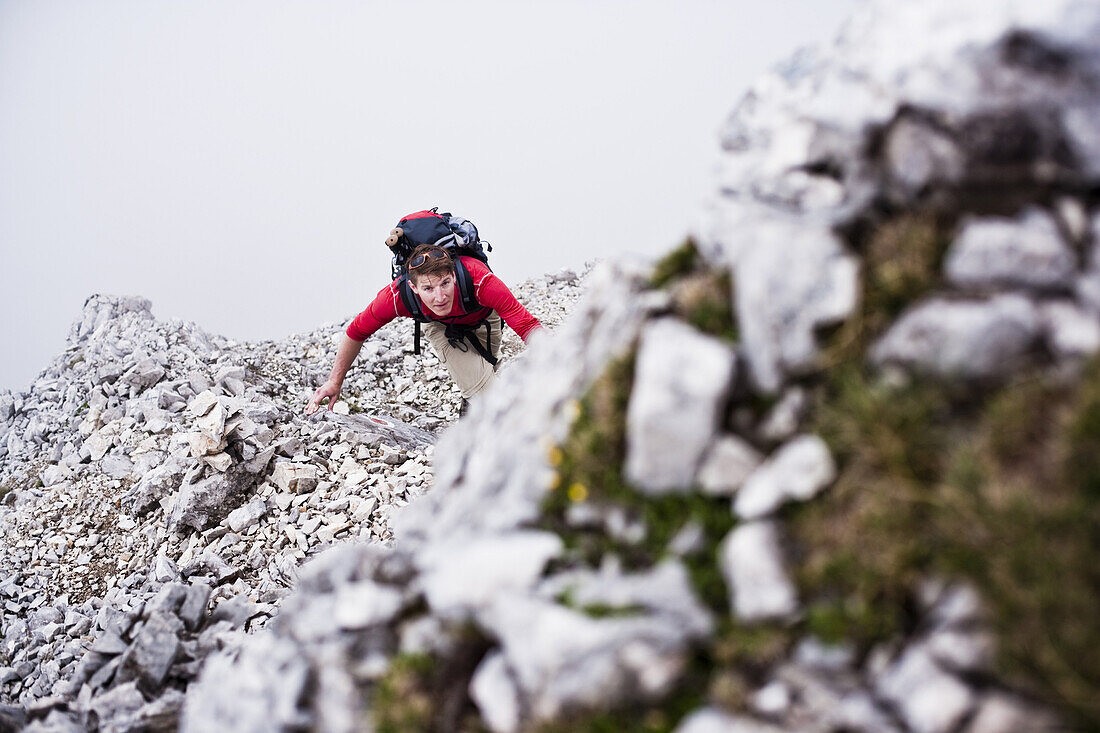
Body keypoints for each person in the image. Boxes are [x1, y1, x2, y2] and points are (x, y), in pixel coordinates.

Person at [305, 243, 542, 415]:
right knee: (487, 392)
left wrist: (562, 363)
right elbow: (356, 332)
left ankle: (472, 417)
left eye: (445, 284)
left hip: (484, 319)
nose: (439, 297)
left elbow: (526, 324)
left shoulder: (479, 279)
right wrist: (334, 382)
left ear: (453, 275)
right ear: (413, 286)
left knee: (485, 371)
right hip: (440, 328)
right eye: (428, 288)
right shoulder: (397, 297)